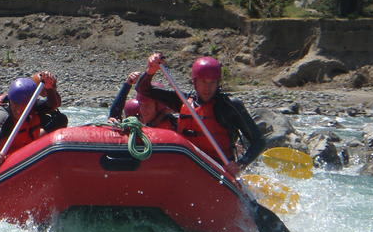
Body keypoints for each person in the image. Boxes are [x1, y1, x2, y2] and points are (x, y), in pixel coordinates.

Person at [136, 53, 265, 176]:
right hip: (188, 166)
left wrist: (240, 164)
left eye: (212, 82)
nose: (207, 88)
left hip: (219, 169)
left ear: (218, 83)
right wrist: (151, 70)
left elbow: (259, 141)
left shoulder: (229, 106)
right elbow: (143, 89)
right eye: (203, 82)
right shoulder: (183, 101)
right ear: (195, 82)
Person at [0, 71, 61, 166]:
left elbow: (53, 104)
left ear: (31, 103)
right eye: (15, 104)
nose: (18, 110)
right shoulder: (1, 114)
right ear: (10, 100)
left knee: (60, 119)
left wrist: (49, 88)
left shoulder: (32, 107)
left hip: (21, 158)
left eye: (23, 105)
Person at [108, 71, 176, 129]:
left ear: (158, 107)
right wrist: (127, 84)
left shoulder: (172, 124)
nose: (143, 110)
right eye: (141, 104)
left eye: (147, 105)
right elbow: (115, 115)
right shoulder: (137, 120)